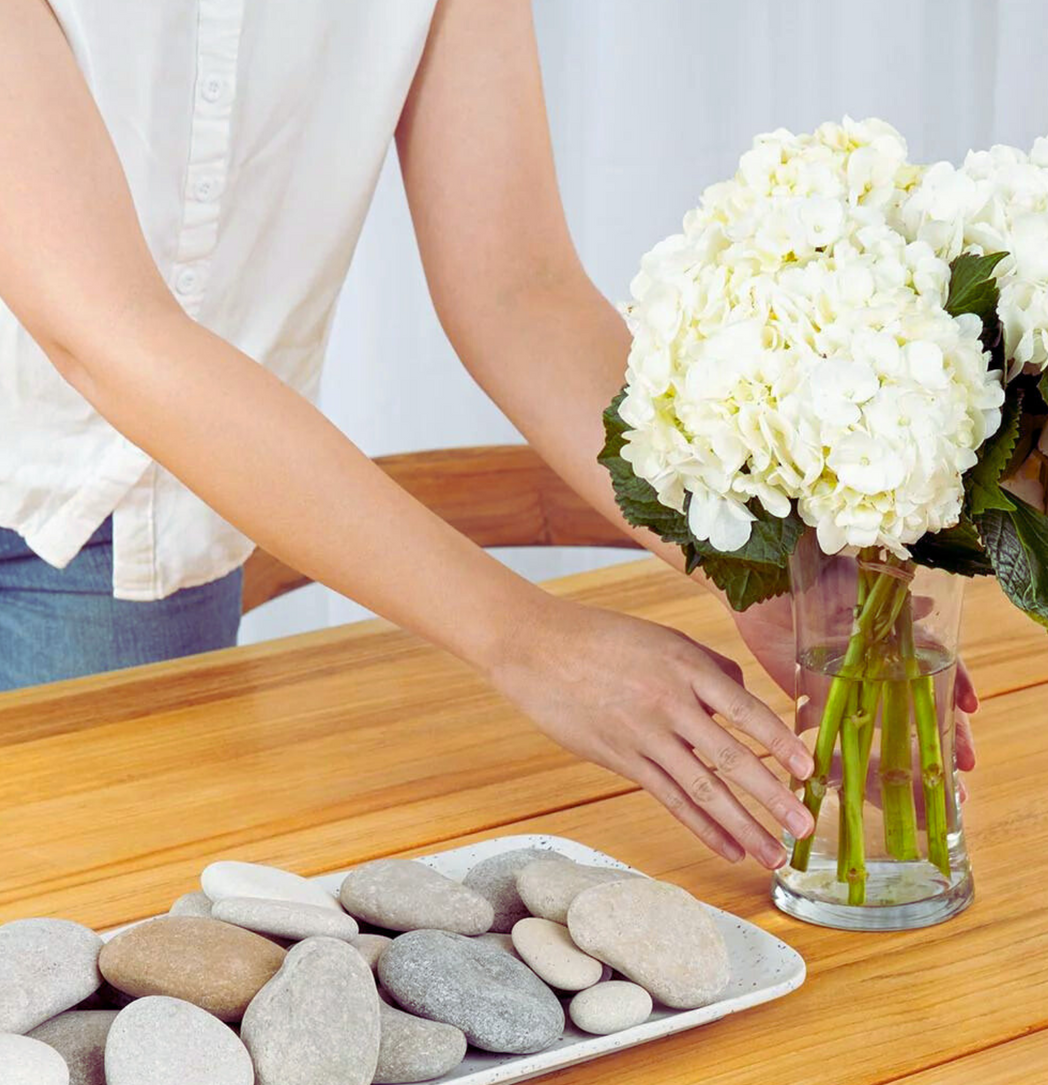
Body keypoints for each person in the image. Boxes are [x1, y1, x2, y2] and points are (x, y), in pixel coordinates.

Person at [0, 0, 975, 870]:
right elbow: (103, 329)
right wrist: (528, 639)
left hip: (136, 556)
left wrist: (755, 553)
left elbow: (520, 288)